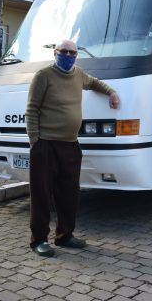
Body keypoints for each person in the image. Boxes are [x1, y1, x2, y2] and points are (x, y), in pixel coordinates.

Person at [26, 39, 120, 257]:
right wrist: (35, 141)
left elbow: (95, 83)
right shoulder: (43, 76)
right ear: (55, 53)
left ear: (76, 55)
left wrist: (112, 92)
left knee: (69, 194)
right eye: (63, 51)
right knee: (41, 194)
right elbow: (31, 109)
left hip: (70, 145)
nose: (68, 56)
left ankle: (64, 236)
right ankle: (38, 240)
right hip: (45, 145)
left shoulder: (78, 74)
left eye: (72, 52)